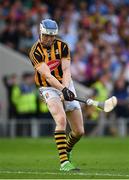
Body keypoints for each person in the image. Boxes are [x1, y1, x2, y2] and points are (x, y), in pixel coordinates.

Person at [29, 19, 84, 171]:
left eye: (52, 36)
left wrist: (66, 88)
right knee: (60, 120)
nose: (50, 39)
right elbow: (47, 76)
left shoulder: (63, 46)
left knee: (79, 131)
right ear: (41, 33)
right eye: (46, 35)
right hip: (47, 87)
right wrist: (62, 90)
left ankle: (66, 150)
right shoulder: (35, 52)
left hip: (66, 83)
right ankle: (64, 163)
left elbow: (66, 70)